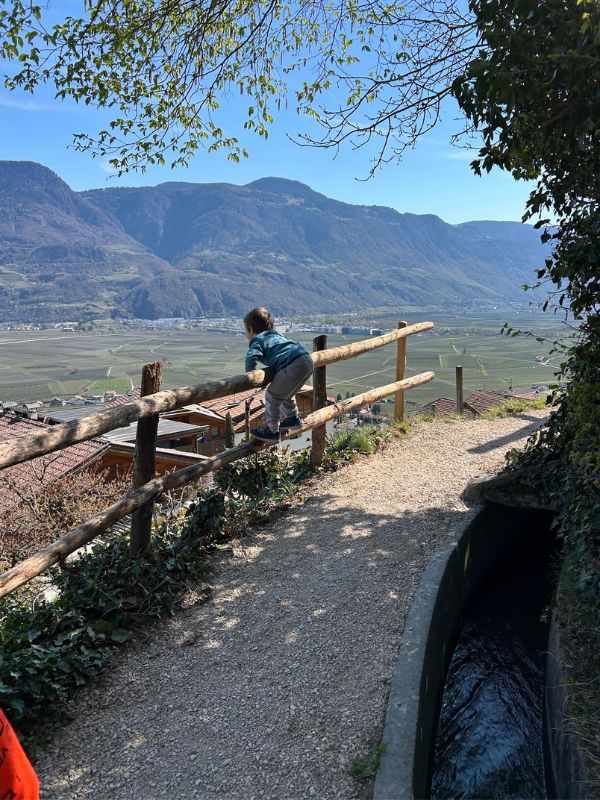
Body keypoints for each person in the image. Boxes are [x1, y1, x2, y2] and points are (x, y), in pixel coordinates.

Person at [243, 307, 313, 443]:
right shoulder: (276, 335)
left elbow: (251, 356)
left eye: (246, 330)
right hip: (306, 360)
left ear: (251, 329)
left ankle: (272, 430)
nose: (246, 334)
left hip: (293, 364)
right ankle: (292, 418)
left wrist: (250, 375)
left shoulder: (257, 340)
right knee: (285, 394)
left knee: (272, 395)